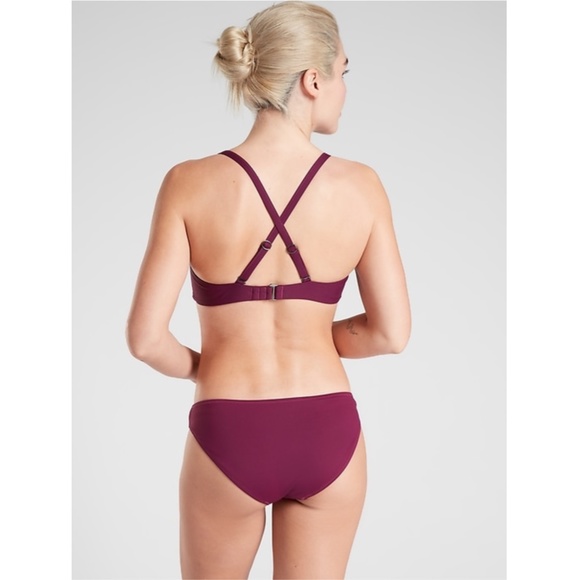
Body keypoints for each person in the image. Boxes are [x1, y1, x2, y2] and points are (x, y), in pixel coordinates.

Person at [126, 1, 411, 578]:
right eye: (343, 72)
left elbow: (145, 340)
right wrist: (314, 334)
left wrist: (208, 365)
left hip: (229, 427)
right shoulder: (362, 186)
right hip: (327, 429)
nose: (344, 90)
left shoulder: (188, 183)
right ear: (313, 80)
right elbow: (390, 333)